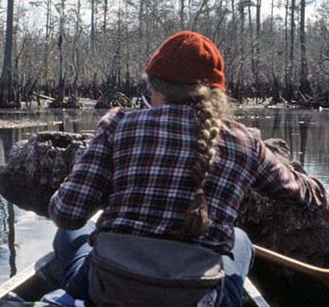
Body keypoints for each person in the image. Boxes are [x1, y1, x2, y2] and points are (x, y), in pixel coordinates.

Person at [48, 31, 328, 307]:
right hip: (198, 298)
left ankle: (69, 298)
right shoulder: (246, 141)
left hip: (111, 291)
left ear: (154, 86)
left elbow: (67, 214)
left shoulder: (117, 124)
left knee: (75, 230)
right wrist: (319, 193)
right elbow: (296, 190)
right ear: (215, 93)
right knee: (240, 239)